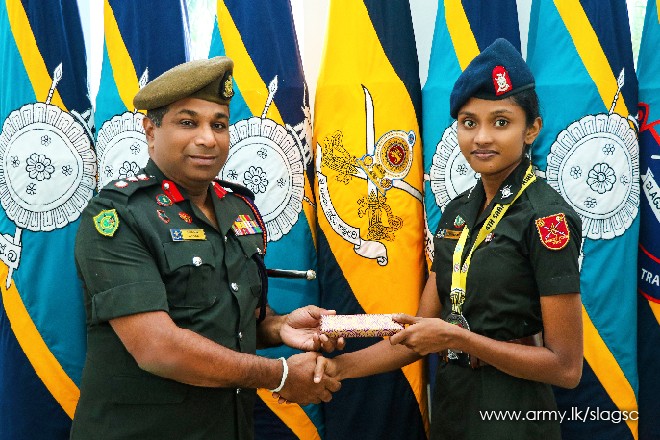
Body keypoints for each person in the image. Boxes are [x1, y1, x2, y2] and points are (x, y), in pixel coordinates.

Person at [310, 38, 583, 439]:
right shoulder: (456, 212)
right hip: (452, 405)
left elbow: (566, 367)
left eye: (501, 122)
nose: (482, 137)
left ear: (532, 130)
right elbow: (421, 329)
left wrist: (461, 339)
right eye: (469, 123)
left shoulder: (546, 218)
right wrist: (339, 362)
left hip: (513, 412)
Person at [70, 57, 343, 440]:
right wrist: (280, 375)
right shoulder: (118, 216)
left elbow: (226, 318)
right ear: (151, 130)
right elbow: (158, 347)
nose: (208, 139)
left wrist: (280, 326)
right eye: (188, 123)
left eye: (219, 124)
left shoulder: (237, 208)